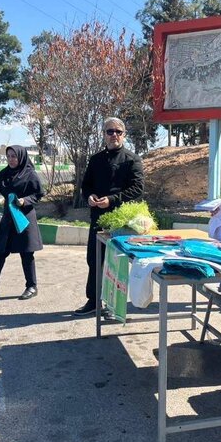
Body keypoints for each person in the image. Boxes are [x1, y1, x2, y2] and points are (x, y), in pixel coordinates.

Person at [74, 117, 144, 316]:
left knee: (118, 263)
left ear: (124, 135)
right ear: (104, 134)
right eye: (110, 131)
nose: (114, 135)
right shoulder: (96, 159)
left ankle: (116, 305)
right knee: (94, 260)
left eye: (118, 132)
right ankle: (94, 300)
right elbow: (86, 185)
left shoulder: (132, 159)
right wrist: (89, 196)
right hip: (98, 217)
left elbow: (138, 189)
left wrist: (112, 200)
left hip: (122, 220)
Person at [0, 145, 45, 302]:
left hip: (24, 219)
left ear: (21, 157)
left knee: (27, 253)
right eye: (9, 156)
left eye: (14, 156)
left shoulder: (30, 174)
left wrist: (25, 200)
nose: (11, 159)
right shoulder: (5, 173)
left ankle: (32, 286)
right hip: (8, 219)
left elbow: (38, 194)